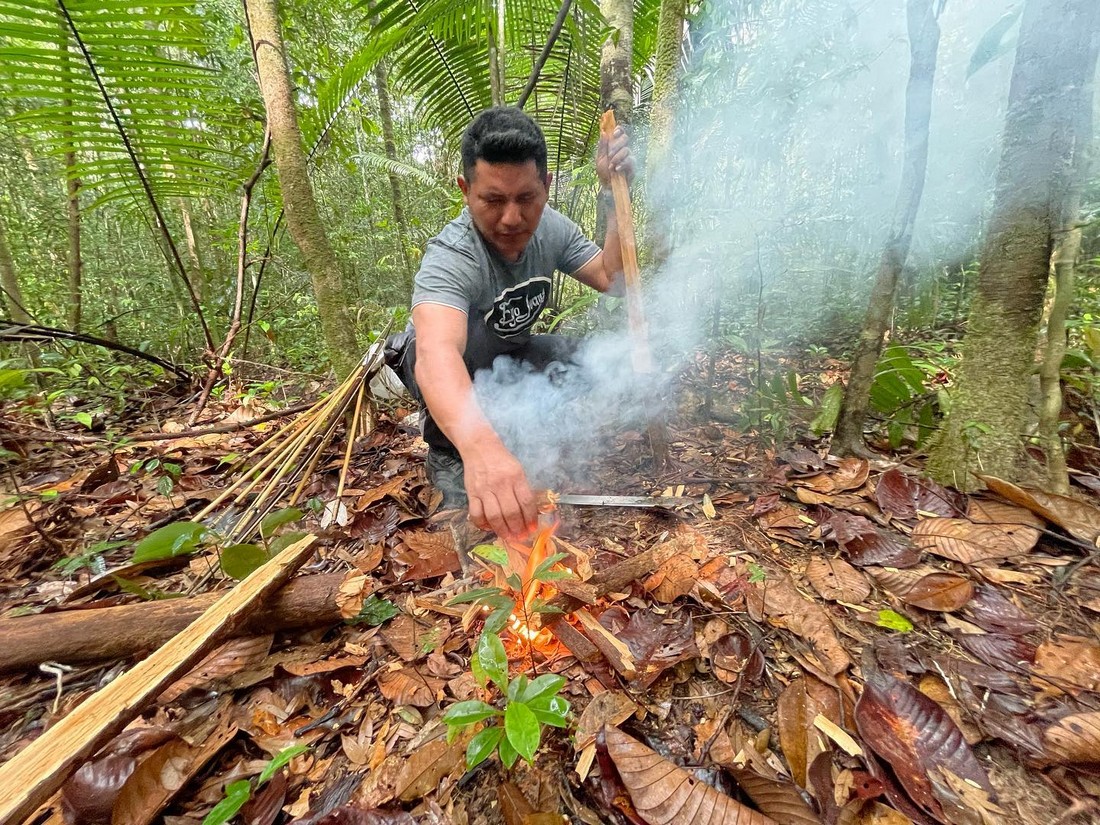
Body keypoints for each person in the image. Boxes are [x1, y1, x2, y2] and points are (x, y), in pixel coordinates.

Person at [386, 106, 634, 541]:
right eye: (493, 200)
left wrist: (614, 195)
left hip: (508, 352)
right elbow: (435, 354)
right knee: (454, 360)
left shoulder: (552, 229)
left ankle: (522, 427)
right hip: (455, 365)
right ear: (466, 190)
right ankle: (450, 453)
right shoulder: (452, 255)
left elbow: (612, 279)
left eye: (526, 198)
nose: (512, 219)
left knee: (598, 356)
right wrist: (482, 452)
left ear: (546, 187)